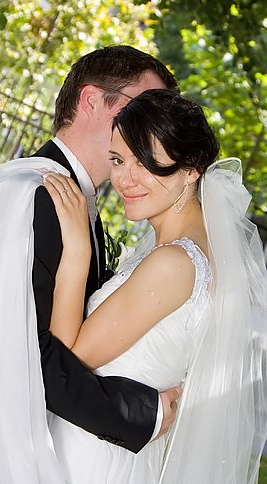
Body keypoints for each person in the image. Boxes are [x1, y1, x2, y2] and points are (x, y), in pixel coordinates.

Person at [0, 87, 267, 484]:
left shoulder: (173, 263)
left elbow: (68, 356)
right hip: (113, 463)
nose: (124, 178)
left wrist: (76, 252)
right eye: (119, 158)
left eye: (146, 162)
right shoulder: (187, 255)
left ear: (190, 170)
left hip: (89, 470)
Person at [31, 46, 181, 455]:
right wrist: (139, 414)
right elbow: (22, 345)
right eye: (141, 107)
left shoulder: (80, 206)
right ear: (92, 101)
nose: (149, 125)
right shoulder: (36, 194)